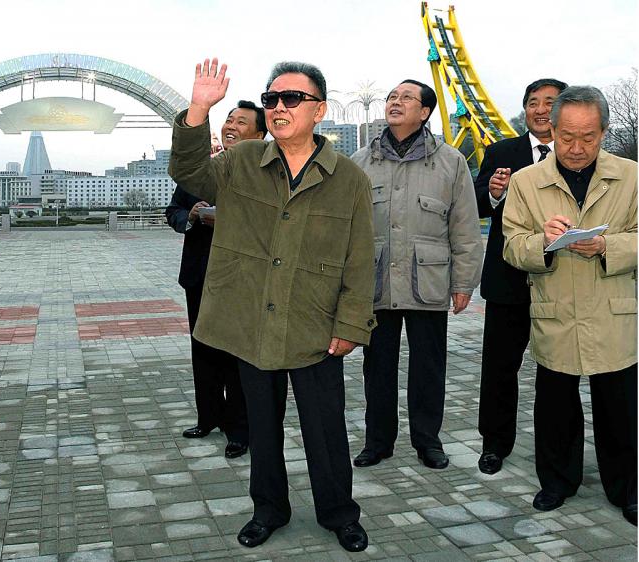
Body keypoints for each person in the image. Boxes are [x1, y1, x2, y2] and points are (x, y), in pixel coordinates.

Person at [168, 58, 376, 552]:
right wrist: (198, 109)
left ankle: (339, 513)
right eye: (271, 99)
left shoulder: (349, 178)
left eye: (292, 98)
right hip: (252, 322)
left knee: (325, 431)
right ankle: (268, 510)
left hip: (315, 323)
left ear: (319, 110)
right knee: (262, 429)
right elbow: (190, 172)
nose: (279, 107)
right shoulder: (241, 161)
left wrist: (352, 324)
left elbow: (360, 258)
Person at [502, 85, 637, 525]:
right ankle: (557, 482)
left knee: (620, 411)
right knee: (555, 407)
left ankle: (628, 489)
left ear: (604, 132)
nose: (577, 148)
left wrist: (607, 246)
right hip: (555, 311)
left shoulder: (632, 177)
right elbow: (511, 246)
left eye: (588, 138)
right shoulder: (526, 182)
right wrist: (542, 242)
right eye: (566, 138)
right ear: (551, 130)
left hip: (612, 312)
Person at [351, 79, 483, 471]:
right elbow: (348, 229)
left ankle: (428, 441)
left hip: (428, 280)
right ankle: (378, 441)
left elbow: (465, 227)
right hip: (375, 281)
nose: (396, 102)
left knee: (428, 367)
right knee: (377, 368)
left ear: (424, 112)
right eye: (392, 97)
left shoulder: (450, 162)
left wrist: (464, 283)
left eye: (406, 98)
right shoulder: (361, 161)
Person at [475, 78, 568, 475]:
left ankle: (558, 452)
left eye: (550, 102)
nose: (540, 109)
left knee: (559, 370)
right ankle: (494, 444)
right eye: (533, 102)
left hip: (563, 278)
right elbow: (477, 203)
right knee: (500, 368)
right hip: (508, 279)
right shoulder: (501, 152)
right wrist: (495, 193)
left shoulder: (578, 154)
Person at [165, 100, 267, 459]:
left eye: (242, 122)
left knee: (236, 356)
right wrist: (190, 216)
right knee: (203, 351)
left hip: (241, 279)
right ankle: (208, 417)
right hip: (199, 275)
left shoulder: (264, 173)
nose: (231, 126)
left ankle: (239, 429)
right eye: (229, 120)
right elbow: (173, 210)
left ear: (260, 135)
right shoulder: (202, 169)